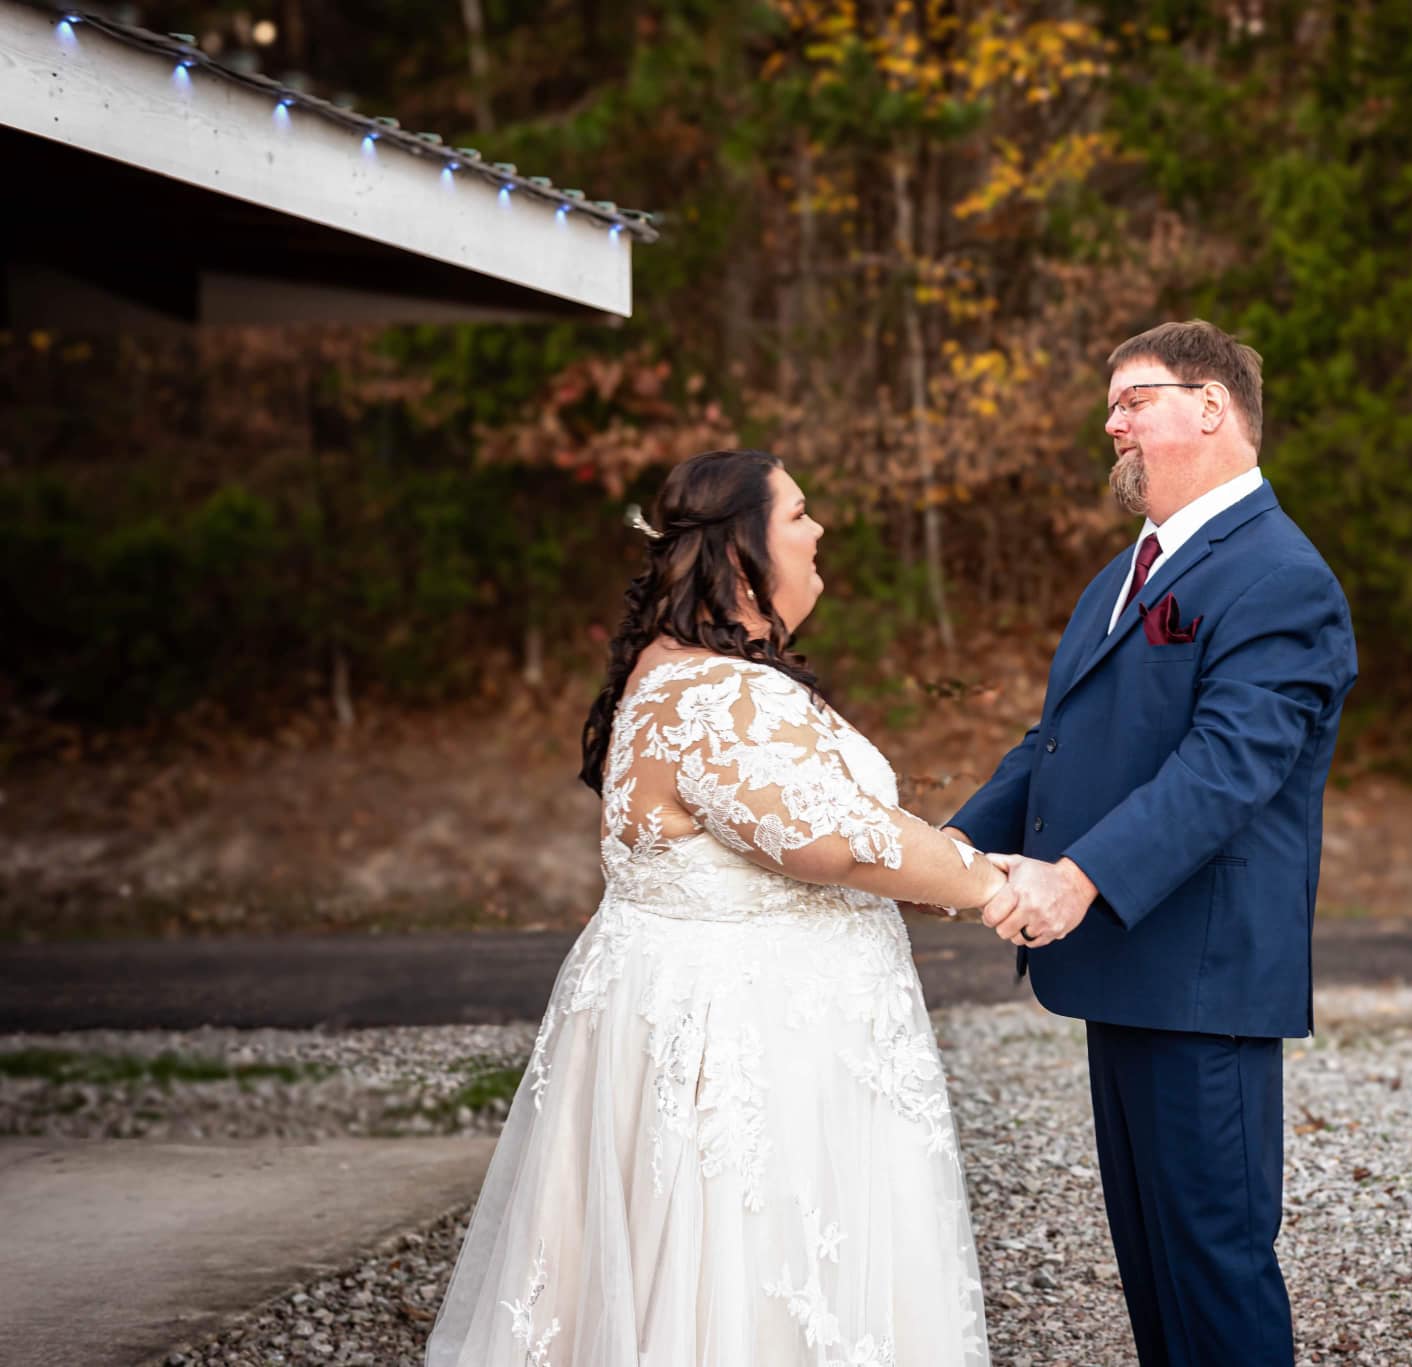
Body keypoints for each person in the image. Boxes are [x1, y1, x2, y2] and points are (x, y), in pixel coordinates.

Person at [427, 449, 999, 1366]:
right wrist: (994, 885)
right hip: (753, 1053)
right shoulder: (720, 696)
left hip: (715, 1024)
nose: (820, 531)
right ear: (741, 554)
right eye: (801, 514)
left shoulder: (675, 671)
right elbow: (840, 840)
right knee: (742, 1287)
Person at [943, 321, 1357, 1366]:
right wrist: (937, 850)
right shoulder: (1123, 574)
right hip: (1122, 967)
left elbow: (1226, 766)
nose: (1110, 419)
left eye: (1133, 397)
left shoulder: (1278, 576)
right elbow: (1056, 747)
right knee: (1151, 1260)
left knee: (1212, 1259)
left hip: (1200, 975)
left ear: (1210, 406)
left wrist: (1079, 875)